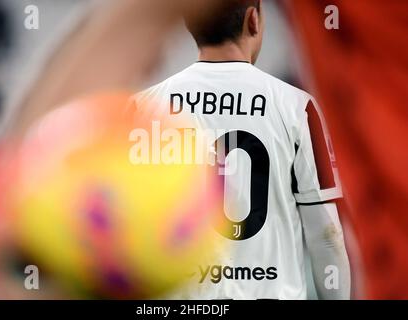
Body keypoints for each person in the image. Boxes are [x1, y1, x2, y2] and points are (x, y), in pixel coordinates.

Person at [132, 0, 350, 300]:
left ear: (191, 25)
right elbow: (327, 237)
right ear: (254, 20)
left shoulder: (143, 108)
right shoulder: (298, 108)